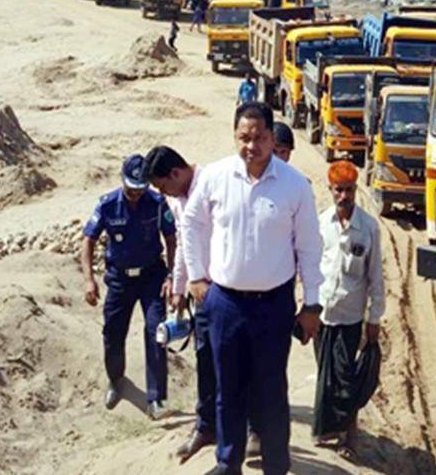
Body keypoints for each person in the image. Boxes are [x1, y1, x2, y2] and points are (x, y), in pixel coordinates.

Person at [181, 102, 324, 475]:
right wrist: (196, 276)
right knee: (228, 390)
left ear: (271, 138)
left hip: (273, 306)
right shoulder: (214, 177)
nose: (251, 146)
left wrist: (311, 305)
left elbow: (309, 247)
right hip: (224, 304)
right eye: (244, 137)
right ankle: (228, 464)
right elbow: (191, 222)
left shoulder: (294, 185)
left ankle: (275, 466)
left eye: (259, 137)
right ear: (234, 136)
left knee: (270, 392)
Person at [80, 154, 175, 419]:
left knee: (156, 332)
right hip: (120, 280)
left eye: (140, 189)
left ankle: (157, 398)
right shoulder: (108, 205)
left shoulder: (156, 203)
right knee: (113, 332)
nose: (135, 194)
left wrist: (171, 275)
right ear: (122, 180)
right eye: (131, 188)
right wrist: (89, 279)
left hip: (151, 277)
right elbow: (88, 240)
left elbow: (171, 237)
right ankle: (116, 380)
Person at [144, 146, 217, 462]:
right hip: (202, 296)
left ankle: (252, 428)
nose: (164, 194)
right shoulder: (177, 200)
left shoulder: (214, 184)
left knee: (241, 362)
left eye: (162, 187)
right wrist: (178, 288)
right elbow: (187, 247)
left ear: (175, 173)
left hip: (231, 290)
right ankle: (207, 426)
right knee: (205, 360)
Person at [313, 161, 384, 460]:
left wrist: (375, 318)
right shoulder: (320, 223)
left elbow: (376, 277)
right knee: (325, 375)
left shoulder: (369, 227)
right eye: (339, 190)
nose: (344, 196)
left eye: (350, 190)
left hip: (351, 318)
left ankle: (349, 439)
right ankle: (328, 429)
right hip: (321, 315)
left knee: (345, 380)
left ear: (357, 190)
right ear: (330, 190)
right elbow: (309, 266)